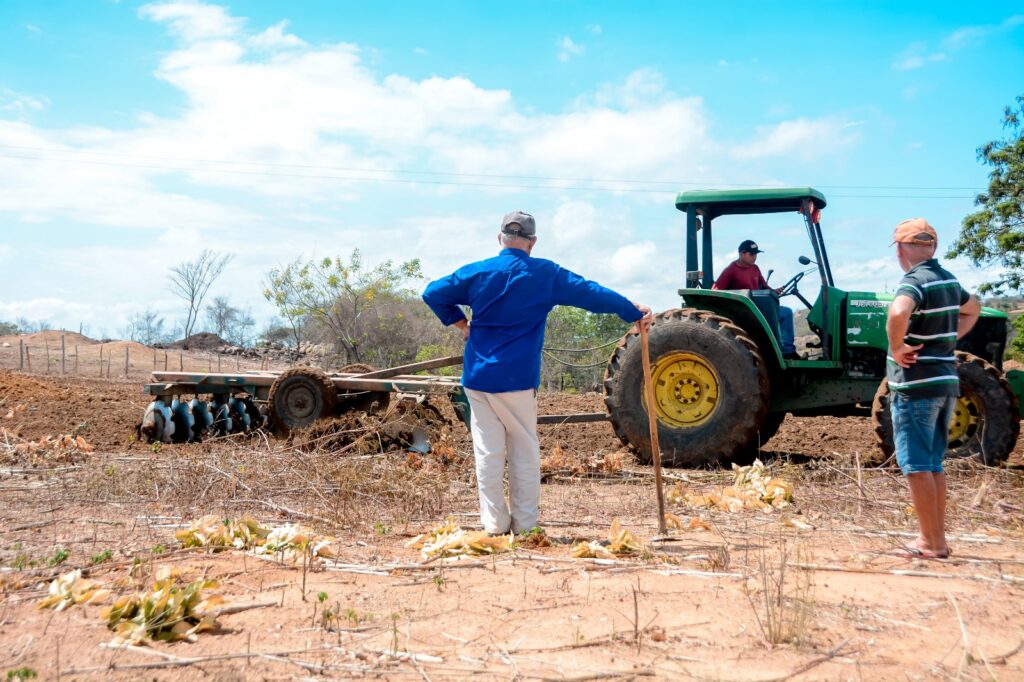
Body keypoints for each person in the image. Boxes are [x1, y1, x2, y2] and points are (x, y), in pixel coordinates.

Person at [422, 210, 653, 535]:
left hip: (477, 378)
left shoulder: (477, 272)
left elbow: (432, 292)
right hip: (516, 379)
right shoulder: (545, 274)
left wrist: (462, 324)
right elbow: (591, 292)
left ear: (500, 237)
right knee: (523, 450)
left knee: (488, 451)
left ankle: (494, 524)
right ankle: (526, 524)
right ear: (532, 241)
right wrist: (631, 310)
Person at [886, 217, 980, 559]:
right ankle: (937, 540)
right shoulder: (948, 280)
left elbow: (898, 312)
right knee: (933, 463)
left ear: (901, 249)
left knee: (915, 465)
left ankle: (929, 543)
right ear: (932, 247)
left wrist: (897, 348)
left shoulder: (915, 281)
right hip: (945, 385)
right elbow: (974, 309)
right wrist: (950, 337)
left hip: (916, 387)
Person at [713, 239, 799, 359]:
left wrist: (775, 291)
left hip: (759, 307)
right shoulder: (731, 270)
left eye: (756, 254)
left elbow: (764, 286)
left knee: (786, 312)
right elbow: (714, 291)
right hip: (745, 312)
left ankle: (788, 351)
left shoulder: (755, 268)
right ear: (741, 254)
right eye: (751, 254)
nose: (754, 257)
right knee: (783, 313)